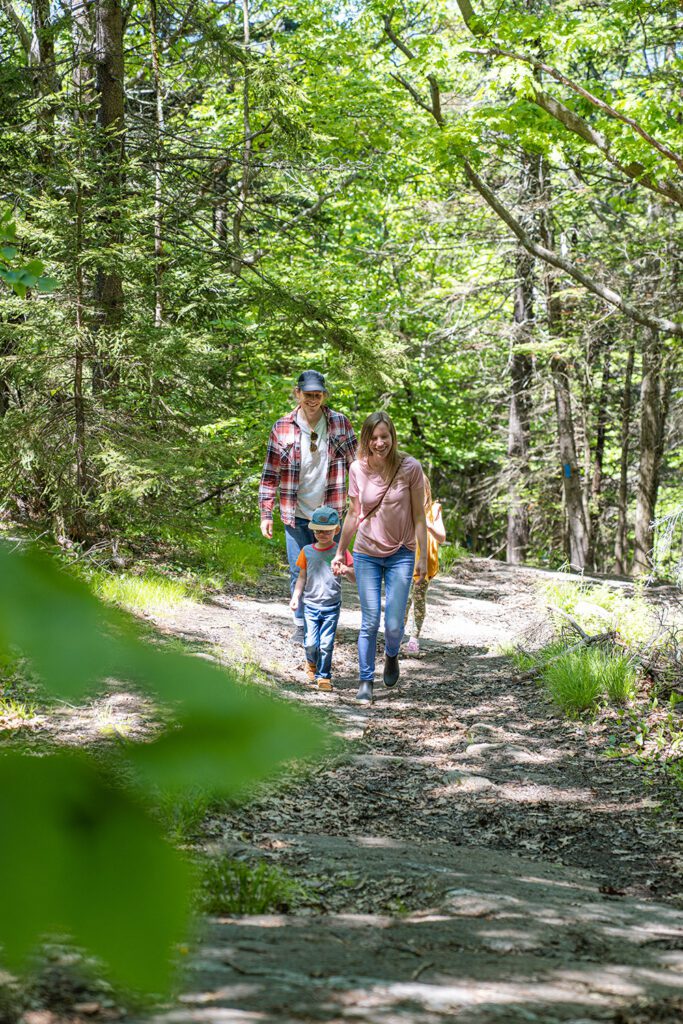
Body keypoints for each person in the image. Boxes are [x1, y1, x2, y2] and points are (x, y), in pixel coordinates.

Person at [332, 411, 427, 703]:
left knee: (395, 623)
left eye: (384, 436)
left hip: (402, 552)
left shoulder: (410, 467)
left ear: (392, 437)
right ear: (366, 439)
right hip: (366, 553)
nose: (379, 443)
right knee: (370, 620)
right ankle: (365, 680)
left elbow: (419, 516)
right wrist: (339, 551)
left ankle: (391, 653)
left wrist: (422, 557)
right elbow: (353, 513)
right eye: (373, 437)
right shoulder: (358, 469)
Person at [258, 370, 358, 644]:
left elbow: (357, 465)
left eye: (318, 395)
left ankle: (326, 623)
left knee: (330, 569)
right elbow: (270, 474)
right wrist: (266, 513)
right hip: (295, 513)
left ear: (324, 396)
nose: (313, 400)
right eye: (308, 395)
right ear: (297, 394)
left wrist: (364, 503)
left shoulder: (340, 424)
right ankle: (301, 625)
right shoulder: (282, 427)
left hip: (330, 514)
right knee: (297, 569)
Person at [290, 505, 354, 691]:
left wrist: (346, 569)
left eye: (326, 531)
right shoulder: (307, 551)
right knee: (310, 642)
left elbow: (354, 577)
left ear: (336, 530)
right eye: (317, 531)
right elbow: (301, 576)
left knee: (326, 643)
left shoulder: (340, 553)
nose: (321, 534)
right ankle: (311, 663)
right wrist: (296, 597)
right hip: (310, 604)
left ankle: (324, 676)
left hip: (331, 605)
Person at [403, 474, 446, 655]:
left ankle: (414, 639)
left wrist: (428, 524)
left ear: (427, 491)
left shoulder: (434, 510)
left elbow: (442, 538)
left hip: (424, 564)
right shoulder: (404, 509)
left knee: (418, 601)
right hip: (404, 562)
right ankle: (395, 637)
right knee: (402, 602)